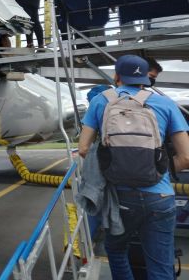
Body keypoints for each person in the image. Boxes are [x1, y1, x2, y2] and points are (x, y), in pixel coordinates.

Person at [78, 55, 189, 279]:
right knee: (160, 263)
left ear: (116, 76)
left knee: (117, 251)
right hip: (160, 195)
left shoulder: (101, 100)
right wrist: (159, 172)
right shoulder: (165, 103)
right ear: (146, 78)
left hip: (120, 197)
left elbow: (83, 148)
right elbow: (186, 157)